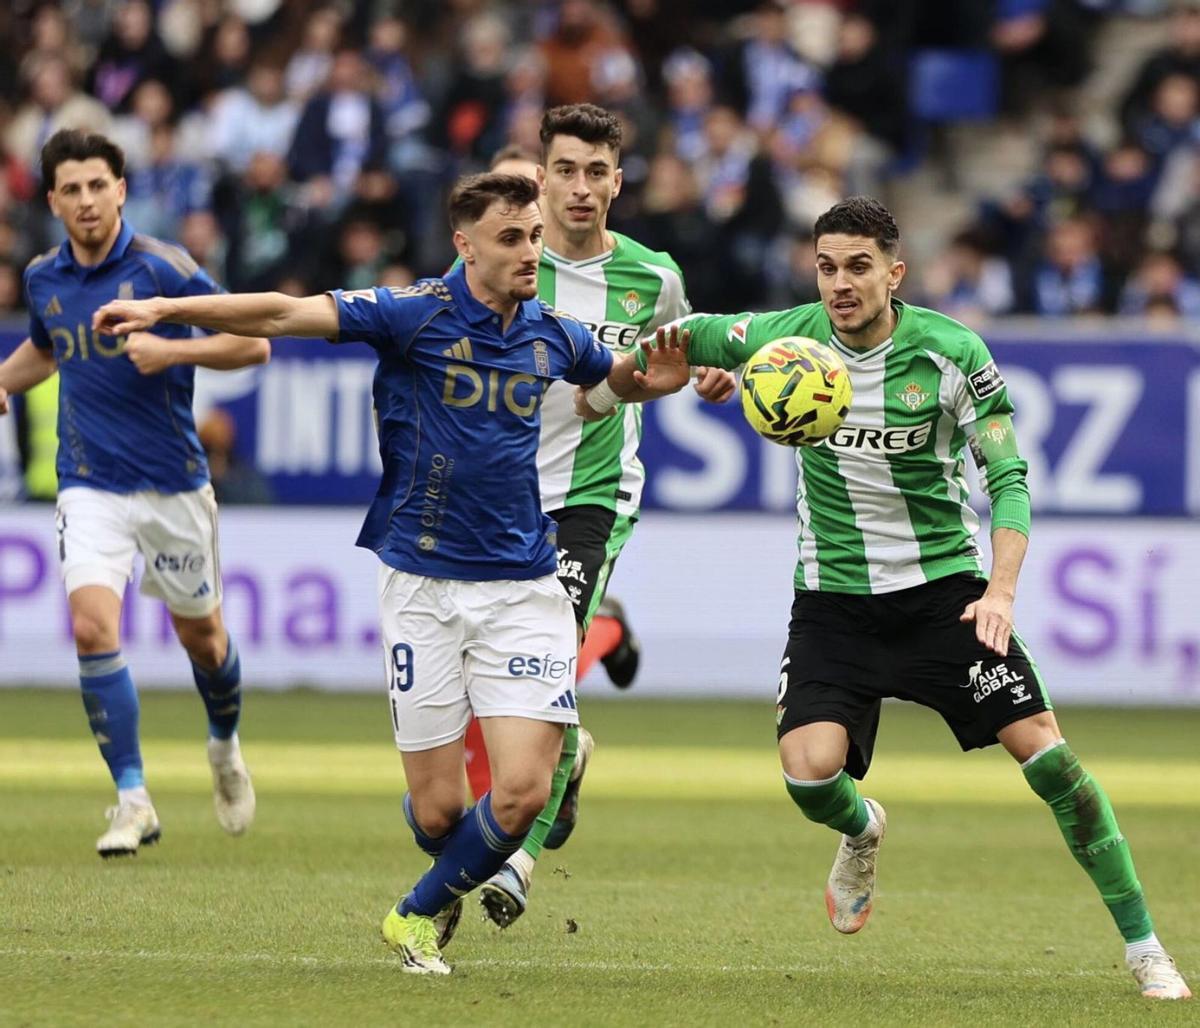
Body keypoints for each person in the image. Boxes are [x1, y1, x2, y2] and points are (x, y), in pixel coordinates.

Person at [585, 196, 1192, 1002]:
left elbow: (1007, 479)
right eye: (827, 266)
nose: (840, 283)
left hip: (946, 597)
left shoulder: (949, 352)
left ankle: (1146, 947)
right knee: (809, 777)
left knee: (1049, 758)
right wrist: (657, 380)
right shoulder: (777, 337)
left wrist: (1001, 593)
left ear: (894, 272)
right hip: (834, 603)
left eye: (859, 266)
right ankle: (862, 828)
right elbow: (673, 346)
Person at [92, 171, 691, 975]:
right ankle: (446, 874)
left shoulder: (552, 333)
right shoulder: (411, 314)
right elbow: (279, 313)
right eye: (511, 239)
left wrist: (660, 372)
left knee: (520, 792)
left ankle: (414, 914)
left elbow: (614, 381)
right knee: (443, 809)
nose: (529, 253)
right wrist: (168, 308)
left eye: (534, 238)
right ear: (465, 244)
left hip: (523, 585)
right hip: (422, 587)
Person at [470, 107, 737, 930]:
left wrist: (708, 376)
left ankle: (516, 859)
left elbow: (680, 348)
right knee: (495, 684)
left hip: (593, 495)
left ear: (618, 182)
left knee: (546, 666)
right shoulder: (505, 262)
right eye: (566, 171)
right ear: (538, 178)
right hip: (503, 493)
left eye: (597, 173)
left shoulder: (652, 276)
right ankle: (573, 753)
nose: (581, 188)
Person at [0, 129, 267, 857]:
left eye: (98, 186)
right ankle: (131, 797)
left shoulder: (165, 269)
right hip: (88, 483)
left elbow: (253, 343)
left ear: (121, 190)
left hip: (174, 486)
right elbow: (47, 349)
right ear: (52, 200)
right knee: (91, 628)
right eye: (71, 189)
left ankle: (223, 745)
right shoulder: (44, 279)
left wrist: (173, 346)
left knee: (203, 641)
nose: (86, 201)